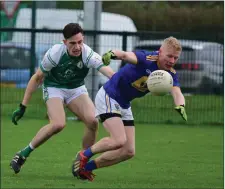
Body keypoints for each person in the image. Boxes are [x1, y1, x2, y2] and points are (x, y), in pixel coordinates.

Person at [72, 36, 187, 181]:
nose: (171, 61)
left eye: (175, 58)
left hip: (124, 103)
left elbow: (177, 92)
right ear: (160, 52)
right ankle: (83, 155)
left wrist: (181, 105)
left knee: (128, 151)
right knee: (118, 140)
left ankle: (85, 168)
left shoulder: (170, 74)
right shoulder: (147, 58)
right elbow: (126, 55)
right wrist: (112, 54)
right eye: (169, 56)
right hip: (110, 95)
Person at [10, 23, 115, 174]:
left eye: (80, 42)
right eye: (72, 43)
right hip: (54, 87)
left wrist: (122, 81)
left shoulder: (88, 54)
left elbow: (108, 72)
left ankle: (82, 160)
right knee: (58, 124)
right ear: (64, 42)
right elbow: (37, 77)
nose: (77, 47)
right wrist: (23, 106)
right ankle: (23, 154)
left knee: (93, 121)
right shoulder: (55, 53)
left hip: (76, 89)